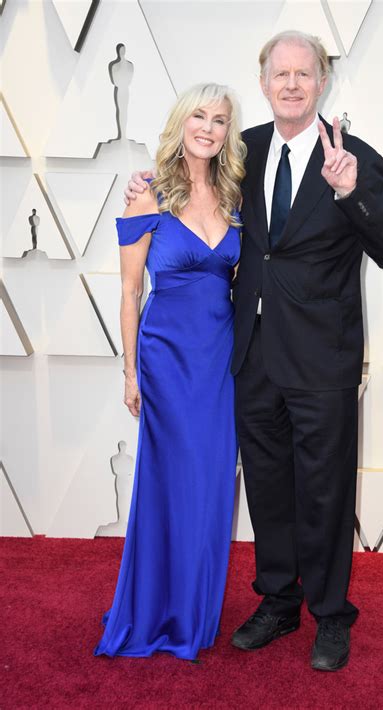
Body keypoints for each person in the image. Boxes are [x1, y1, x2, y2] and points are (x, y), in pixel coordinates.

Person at [125, 31, 383, 671]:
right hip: (250, 358)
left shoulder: (354, 157)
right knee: (270, 490)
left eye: (303, 74)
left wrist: (350, 191)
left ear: (321, 83)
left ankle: (331, 616)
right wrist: (144, 179)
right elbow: (188, 174)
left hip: (324, 362)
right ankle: (279, 601)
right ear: (263, 83)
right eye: (279, 74)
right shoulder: (243, 151)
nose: (290, 84)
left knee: (327, 493)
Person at [94, 83, 246, 661]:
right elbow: (131, 292)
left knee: (209, 486)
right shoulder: (148, 195)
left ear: (228, 131)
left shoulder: (236, 196)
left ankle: (195, 609)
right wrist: (130, 372)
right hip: (165, 360)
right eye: (200, 116)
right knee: (167, 483)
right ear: (182, 122)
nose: (208, 127)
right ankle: (158, 608)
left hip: (220, 362)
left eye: (220, 120)